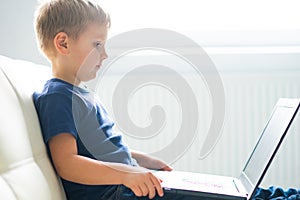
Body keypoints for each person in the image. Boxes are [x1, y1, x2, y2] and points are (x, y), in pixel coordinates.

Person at [32, 0, 199, 199]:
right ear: (63, 43)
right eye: (97, 45)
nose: (105, 54)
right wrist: (126, 173)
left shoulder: (81, 94)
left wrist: (141, 160)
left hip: (120, 186)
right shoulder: (57, 97)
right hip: (110, 193)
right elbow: (67, 163)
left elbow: (102, 152)